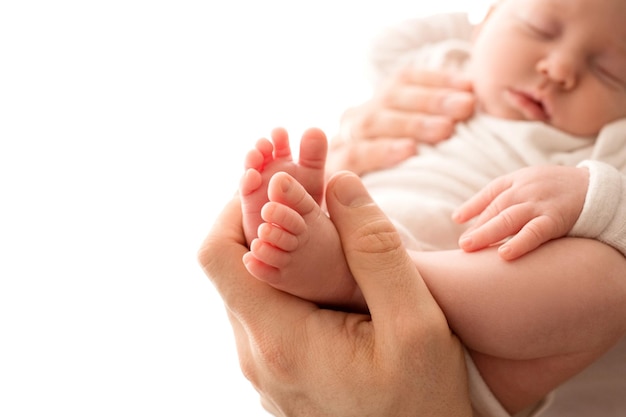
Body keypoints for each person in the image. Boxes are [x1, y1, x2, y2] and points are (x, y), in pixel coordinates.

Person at [237, 0, 626, 415]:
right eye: (539, 29)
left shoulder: (607, 143)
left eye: (611, 72)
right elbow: (382, 45)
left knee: (607, 284)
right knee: (321, 201)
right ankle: (309, 236)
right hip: (354, 237)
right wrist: (485, 28)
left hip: (470, 341)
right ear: (486, 21)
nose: (560, 68)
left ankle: (354, 275)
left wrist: (589, 192)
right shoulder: (446, 64)